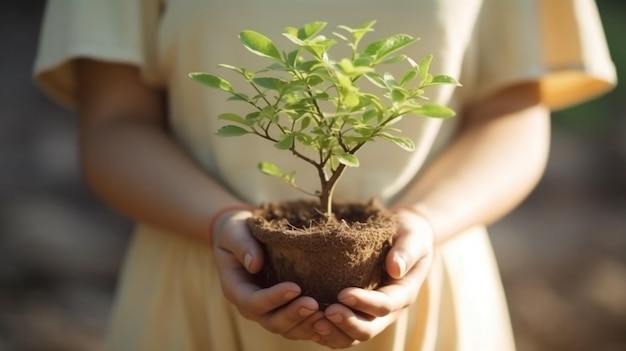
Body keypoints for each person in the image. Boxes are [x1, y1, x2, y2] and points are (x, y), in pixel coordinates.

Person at [34, 0, 616, 350]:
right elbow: (114, 124)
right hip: (199, 283)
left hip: (423, 279)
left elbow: (513, 116)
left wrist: (424, 223)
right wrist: (223, 222)